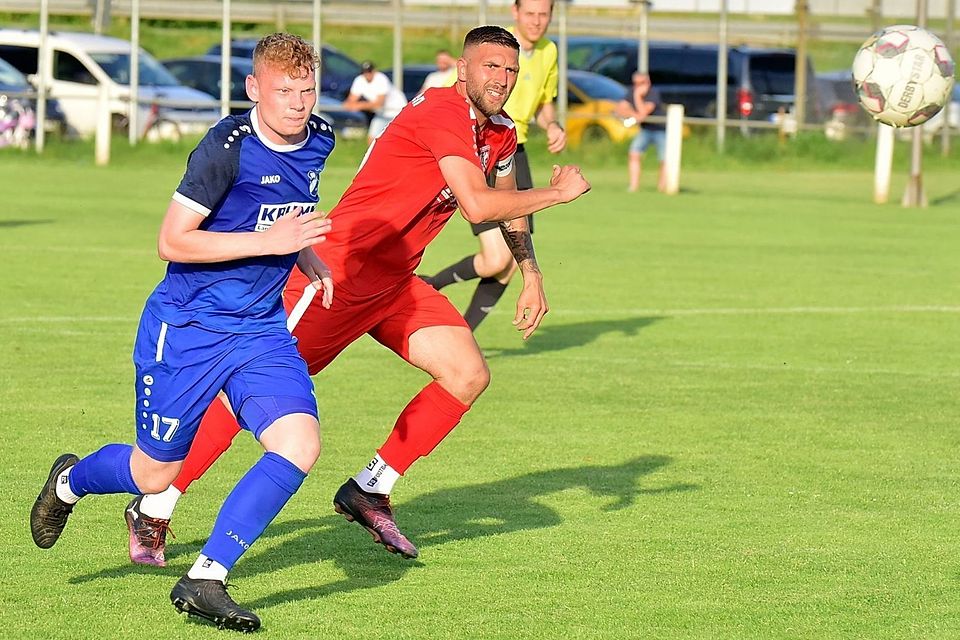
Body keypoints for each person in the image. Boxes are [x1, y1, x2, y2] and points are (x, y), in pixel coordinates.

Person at [122, 25, 590, 570]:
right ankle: (155, 503)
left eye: (510, 71)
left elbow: (506, 203)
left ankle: (371, 488)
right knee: (241, 398)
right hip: (336, 275)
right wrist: (559, 191)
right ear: (462, 69)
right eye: (490, 66)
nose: (502, 79)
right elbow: (477, 205)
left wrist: (530, 271)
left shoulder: (501, 132)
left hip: (394, 283)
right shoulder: (442, 112)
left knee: (467, 374)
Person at [29, 33, 336, 632]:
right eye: (284, 91)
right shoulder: (225, 148)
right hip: (188, 327)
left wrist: (305, 258)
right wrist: (269, 243)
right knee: (154, 474)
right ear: (253, 88)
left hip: (259, 329)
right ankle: (69, 481)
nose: (298, 103)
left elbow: (288, 217)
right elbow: (172, 241)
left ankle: (206, 577)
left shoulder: (319, 138)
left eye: (306, 89)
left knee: (299, 445)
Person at [422, 0, 566, 331]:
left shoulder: (549, 51)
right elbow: (458, 93)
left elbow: (545, 100)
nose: (537, 21)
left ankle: (456, 320)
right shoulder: (496, 48)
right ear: (515, 13)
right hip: (480, 146)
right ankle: (443, 303)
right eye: (530, 13)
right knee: (499, 258)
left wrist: (553, 125)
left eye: (544, 14)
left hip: (518, 150)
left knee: (504, 262)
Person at [620, 72, 667, 193]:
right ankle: (634, 186)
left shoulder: (653, 93)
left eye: (641, 83)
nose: (637, 86)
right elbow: (620, 108)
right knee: (634, 154)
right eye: (635, 84)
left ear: (648, 82)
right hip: (645, 130)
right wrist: (634, 114)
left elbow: (644, 112)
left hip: (660, 130)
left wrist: (637, 96)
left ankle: (663, 187)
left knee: (664, 159)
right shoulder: (632, 91)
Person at [342, 59, 408, 143]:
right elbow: (350, 101)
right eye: (365, 72)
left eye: (369, 71)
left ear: (374, 71)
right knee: (372, 138)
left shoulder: (381, 79)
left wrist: (359, 105)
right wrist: (351, 105)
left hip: (397, 112)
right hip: (381, 114)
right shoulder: (359, 80)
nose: (367, 74)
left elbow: (379, 104)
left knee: (398, 141)